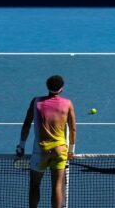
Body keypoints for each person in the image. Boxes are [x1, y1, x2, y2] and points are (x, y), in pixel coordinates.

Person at [16, 75, 76, 208]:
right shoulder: (67, 104)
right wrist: (71, 150)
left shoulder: (36, 102)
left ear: (47, 87)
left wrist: (21, 146)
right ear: (62, 89)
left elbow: (26, 124)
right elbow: (72, 128)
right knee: (57, 186)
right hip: (60, 150)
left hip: (41, 151)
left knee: (34, 185)